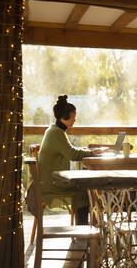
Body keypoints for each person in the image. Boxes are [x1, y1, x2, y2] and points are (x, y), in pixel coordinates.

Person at [38, 95, 102, 225]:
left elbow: (69, 150)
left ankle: (85, 229)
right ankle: (83, 230)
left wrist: (87, 151)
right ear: (64, 117)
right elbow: (72, 154)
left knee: (85, 189)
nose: (75, 119)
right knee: (85, 192)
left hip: (50, 182)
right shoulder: (56, 133)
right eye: (73, 116)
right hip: (53, 186)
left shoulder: (54, 131)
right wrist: (91, 153)